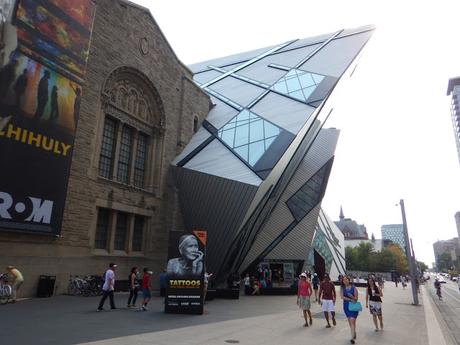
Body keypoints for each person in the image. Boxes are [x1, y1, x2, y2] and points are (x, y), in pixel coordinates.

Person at [342, 275, 359, 344]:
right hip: (346, 306)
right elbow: (342, 297)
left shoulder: (354, 288)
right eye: (344, 280)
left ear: (349, 280)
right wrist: (350, 299)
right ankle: (354, 332)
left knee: (352, 320)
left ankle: (352, 338)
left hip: (353, 306)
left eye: (346, 279)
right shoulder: (342, 288)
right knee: (350, 321)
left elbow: (356, 298)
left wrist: (352, 296)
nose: (345, 281)